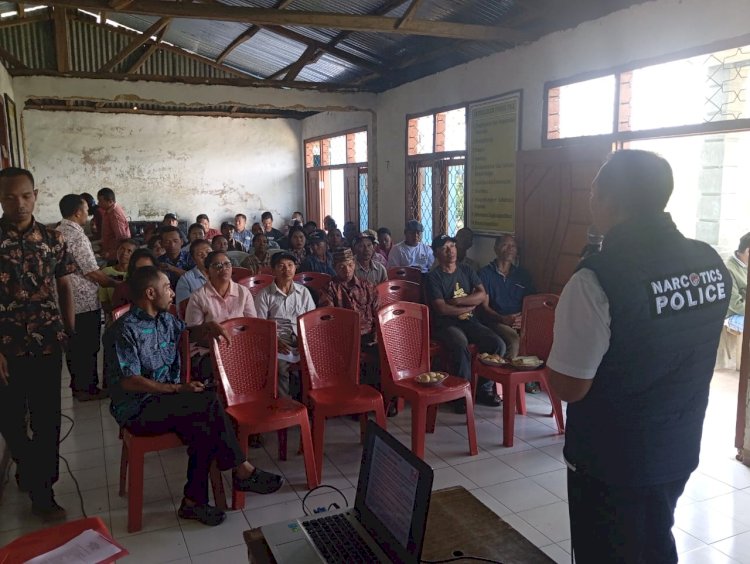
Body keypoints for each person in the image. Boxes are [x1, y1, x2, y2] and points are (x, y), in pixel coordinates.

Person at [546, 150, 730, 564]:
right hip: (678, 442)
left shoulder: (598, 277)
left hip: (612, 457)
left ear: (611, 200)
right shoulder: (709, 261)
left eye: (594, 191)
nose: (590, 199)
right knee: (653, 537)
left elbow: (571, 386)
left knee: (607, 550)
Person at [104, 266, 283, 527]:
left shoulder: (165, 319)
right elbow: (130, 381)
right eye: (167, 287)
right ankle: (241, 470)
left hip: (169, 402)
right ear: (150, 293)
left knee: (204, 422)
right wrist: (177, 389)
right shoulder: (122, 330)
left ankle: (194, 501)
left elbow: (186, 333)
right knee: (206, 405)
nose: (172, 292)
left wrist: (208, 328)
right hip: (137, 409)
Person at [0, 167, 76, 518]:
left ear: (36, 194)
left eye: (25, 195)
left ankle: (43, 492)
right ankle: (25, 463)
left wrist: (69, 330)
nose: (19, 203)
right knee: (11, 419)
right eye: (10, 197)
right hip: (6, 347)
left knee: (47, 420)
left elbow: (64, 286)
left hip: (47, 341)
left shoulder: (53, 238)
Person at [425, 234, 504, 413]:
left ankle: (483, 390)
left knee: (497, 344)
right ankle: (461, 395)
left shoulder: (466, 270)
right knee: (460, 345)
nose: (450, 251)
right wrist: (468, 308)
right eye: (445, 248)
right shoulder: (433, 277)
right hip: (446, 325)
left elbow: (481, 295)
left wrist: (459, 302)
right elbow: (442, 309)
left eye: (452, 246)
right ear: (437, 252)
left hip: (470, 321)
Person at [57, 194, 120, 401]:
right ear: (77, 212)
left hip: (68, 301)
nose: (88, 213)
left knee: (74, 347)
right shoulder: (76, 235)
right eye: (86, 210)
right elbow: (92, 272)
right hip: (83, 301)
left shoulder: (58, 231)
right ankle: (87, 389)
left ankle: (78, 386)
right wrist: (115, 284)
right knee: (87, 347)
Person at [186, 251, 257, 380]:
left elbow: (252, 325)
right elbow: (193, 335)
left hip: (240, 346)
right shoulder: (198, 296)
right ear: (207, 272)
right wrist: (220, 345)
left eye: (227, 264)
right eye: (217, 266)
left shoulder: (243, 292)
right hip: (210, 350)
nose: (223, 268)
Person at [254, 251, 315, 397]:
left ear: (295, 268)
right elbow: (259, 326)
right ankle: (284, 404)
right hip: (278, 339)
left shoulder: (304, 292)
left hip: (301, 337)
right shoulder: (264, 295)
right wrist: (274, 340)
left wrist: (306, 339)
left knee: (319, 358)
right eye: (281, 266)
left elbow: (311, 320)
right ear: (273, 270)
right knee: (280, 367)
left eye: (290, 265)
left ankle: (311, 401)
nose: (286, 269)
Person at [478, 234, 536, 359]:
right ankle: (506, 376)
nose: (510, 249)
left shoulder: (522, 275)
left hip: (520, 321)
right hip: (496, 321)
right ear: (496, 248)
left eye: (513, 246)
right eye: (505, 245)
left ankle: (528, 378)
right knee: (514, 340)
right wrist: (503, 318)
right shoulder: (485, 274)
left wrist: (523, 318)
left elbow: (532, 303)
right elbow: (484, 307)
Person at [319, 248, 380, 350]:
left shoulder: (368, 286)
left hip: (369, 336)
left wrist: (377, 332)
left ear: (354, 264)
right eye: (341, 266)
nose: (347, 270)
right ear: (334, 267)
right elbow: (328, 319)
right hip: (344, 339)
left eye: (350, 265)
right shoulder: (329, 289)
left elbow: (378, 313)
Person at [100, 238, 138, 318]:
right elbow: (104, 300)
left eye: (129, 251)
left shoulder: (137, 273)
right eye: (122, 249)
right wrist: (114, 315)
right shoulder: (106, 272)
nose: (124, 253)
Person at [97, 187, 131, 261]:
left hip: (114, 255)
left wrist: (111, 253)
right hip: (109, 250)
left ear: (110, 201)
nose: (98, 203)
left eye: (100, 201)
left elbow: (122, 238)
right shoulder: (108, 211)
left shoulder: (115, 214)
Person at [175, 239, 212, 307]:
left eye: (208, 252)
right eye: (200, 254)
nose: (206, 257)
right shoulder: (186, 280)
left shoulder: (221, 272)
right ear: (194, 259)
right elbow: (183, 310)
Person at [725, 232, 748, 334]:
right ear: (748, 251)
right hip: (733, 315)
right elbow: (735, 305)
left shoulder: (746, 263)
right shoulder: (729, 270)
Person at [158, 225, 194, 290]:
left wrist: (173, 269)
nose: (172, 245)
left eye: (175, 241)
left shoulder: (191, 257)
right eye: (167, 242)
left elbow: (195, 279)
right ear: (161, 244)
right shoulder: (159, 261)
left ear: (182, 241)